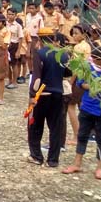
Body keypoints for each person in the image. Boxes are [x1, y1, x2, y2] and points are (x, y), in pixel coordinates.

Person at [28, 27, 70, 167]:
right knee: (55, 128)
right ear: (54, 38)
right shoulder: (63, 55)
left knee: (35, 126)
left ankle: (37, 156)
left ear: (40, 39)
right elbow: (67, 73)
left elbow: (37, 78)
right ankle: (53, 160)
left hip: (42, 95)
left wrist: (32, 96)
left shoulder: (39, 54)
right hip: (58, 94)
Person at [62, 46, 101, 179]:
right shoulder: (88, 69)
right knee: (82, 135)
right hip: (87, 107)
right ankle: (77, 163)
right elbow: (80, 83)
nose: (95, 61)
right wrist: (92, 86)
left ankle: (100, 167)